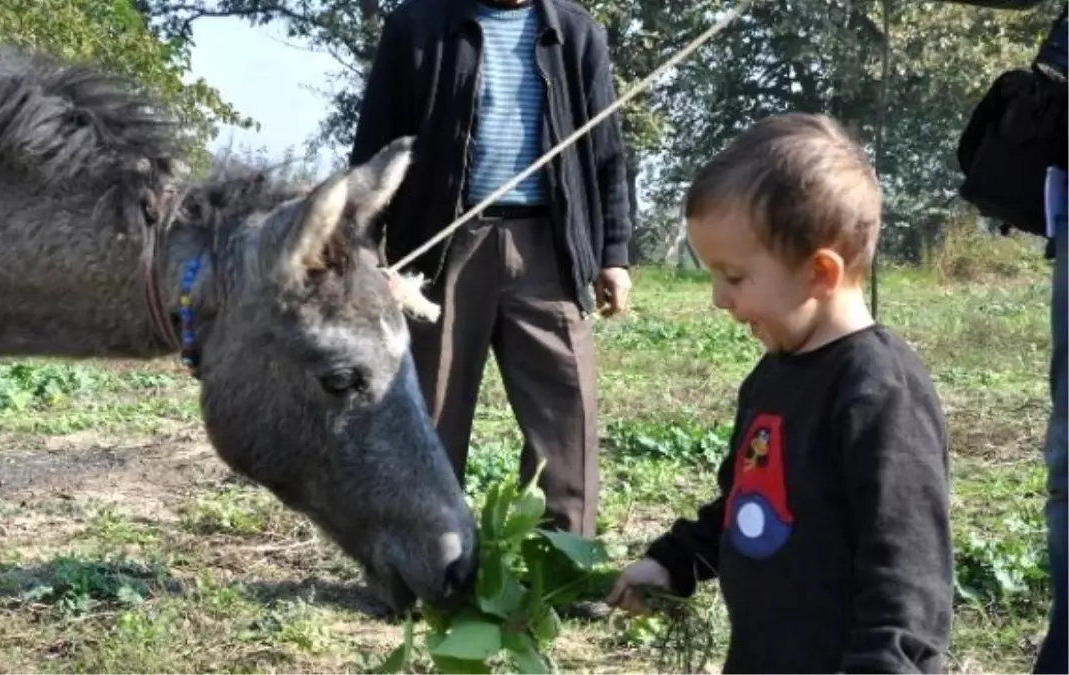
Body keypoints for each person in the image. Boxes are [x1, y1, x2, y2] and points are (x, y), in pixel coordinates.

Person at [605, 112, 954, 674]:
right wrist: (674, 563)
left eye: (734, 276)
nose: (719, 298)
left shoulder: (880, 392)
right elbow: (747, 507)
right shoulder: (772, 377)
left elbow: (908, 573)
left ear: (820, 272)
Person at [348, 0, 633, 540]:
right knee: (428, 414)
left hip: (548, 245)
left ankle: (564, 561)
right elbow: (375, 148)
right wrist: (363, 250)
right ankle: (426, 566)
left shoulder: (575, 33)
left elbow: (606, 153)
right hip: (442, 248)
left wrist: (614, 254)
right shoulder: (416, 26)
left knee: (566, 412)